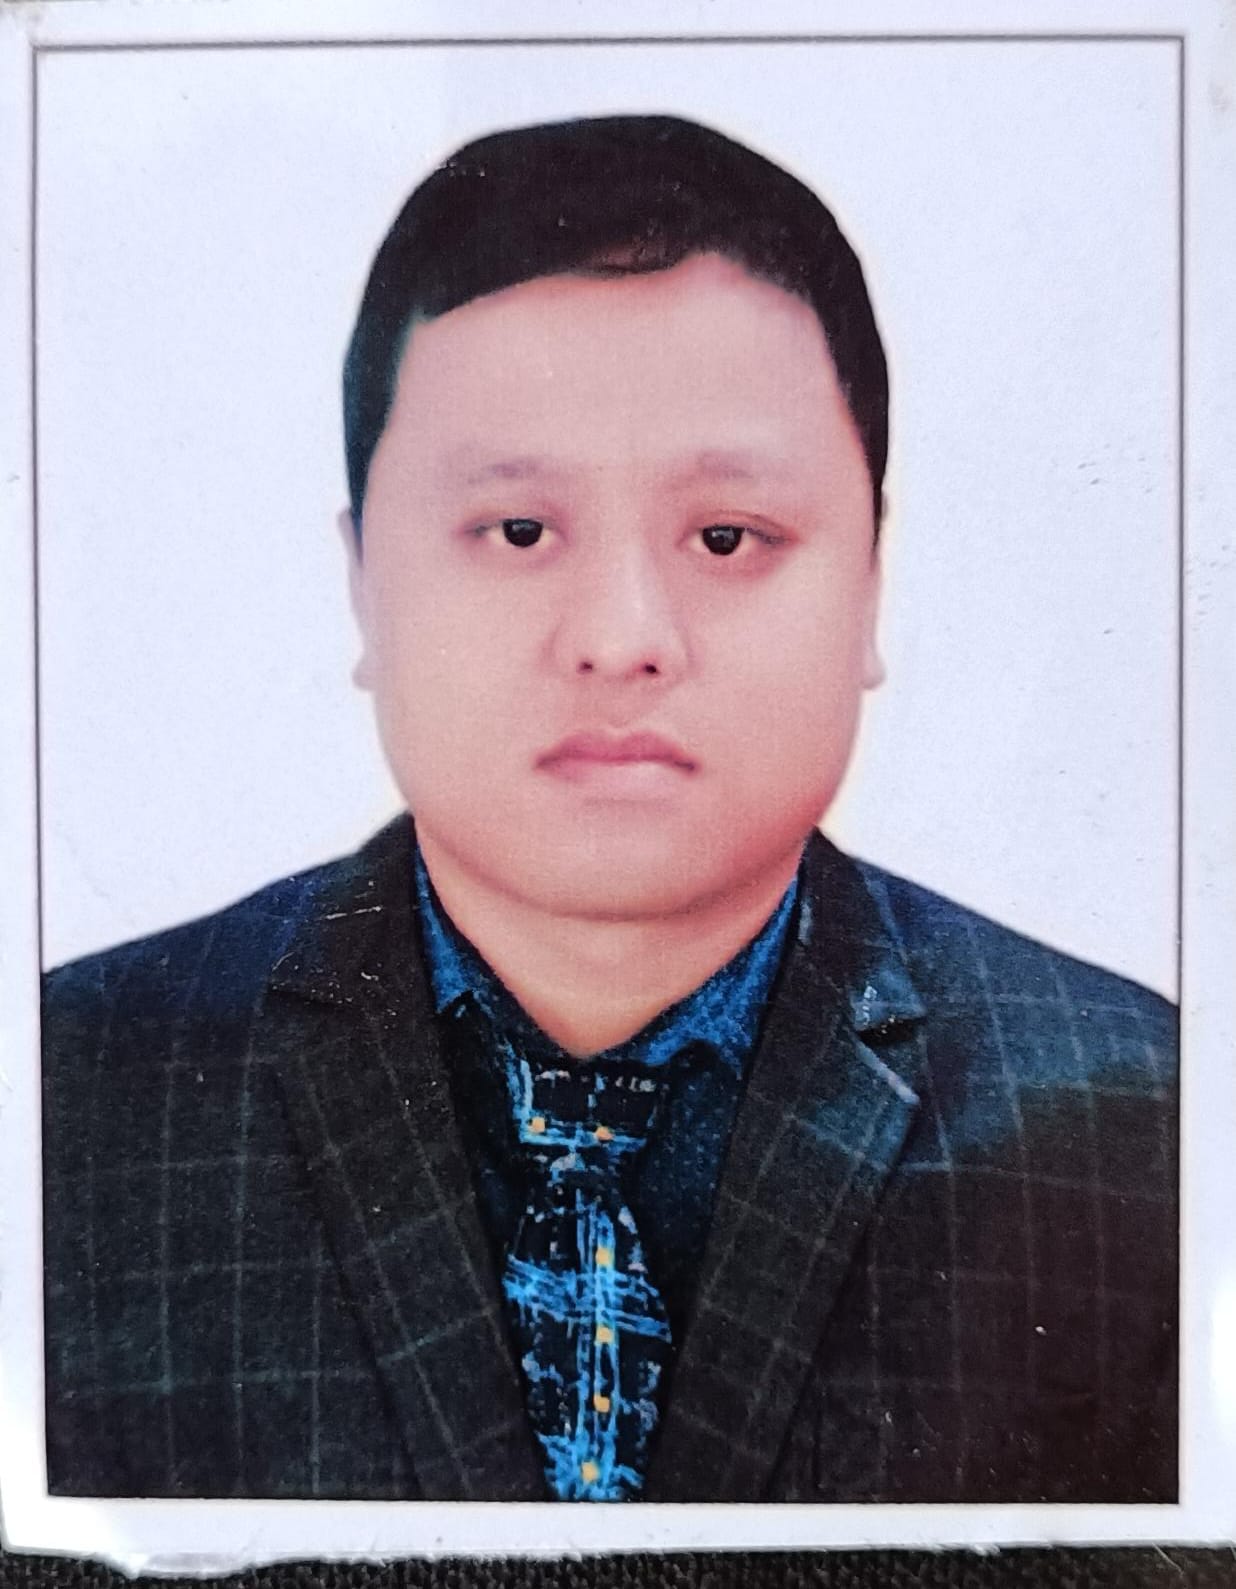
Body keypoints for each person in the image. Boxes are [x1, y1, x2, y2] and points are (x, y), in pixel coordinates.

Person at [41, 113, 1177, 1505]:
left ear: (871, 582)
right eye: (519, 531)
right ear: (363, 584)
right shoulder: (60, 1097)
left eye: (726, 537)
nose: (623, 638)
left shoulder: (1155, 1125)